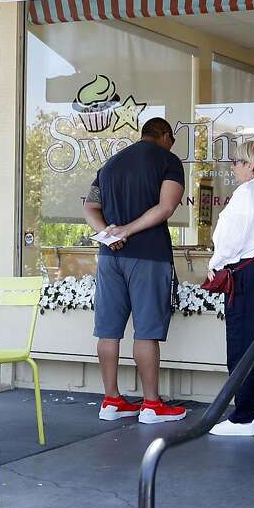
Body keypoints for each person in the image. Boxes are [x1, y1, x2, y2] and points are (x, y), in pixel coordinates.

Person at [83, 117, 187, 424]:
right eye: (172, 139)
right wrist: (127, 230)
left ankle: (111, 400)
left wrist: (108, 233)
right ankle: (152, 405)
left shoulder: (111, 164)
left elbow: (90, 207)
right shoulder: (168, 160)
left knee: (108, 330)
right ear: (165, 135)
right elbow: (166, 207)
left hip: (109, 256)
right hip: (149, 254)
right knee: (146, 331)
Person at [207, 140, 254, 437]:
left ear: (252, 165)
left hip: (247, 273)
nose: (234, 166)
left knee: (241, 342)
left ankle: (242, 416)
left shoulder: (247, 193)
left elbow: (231, 236)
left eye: (238, 161)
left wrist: (217, 261)